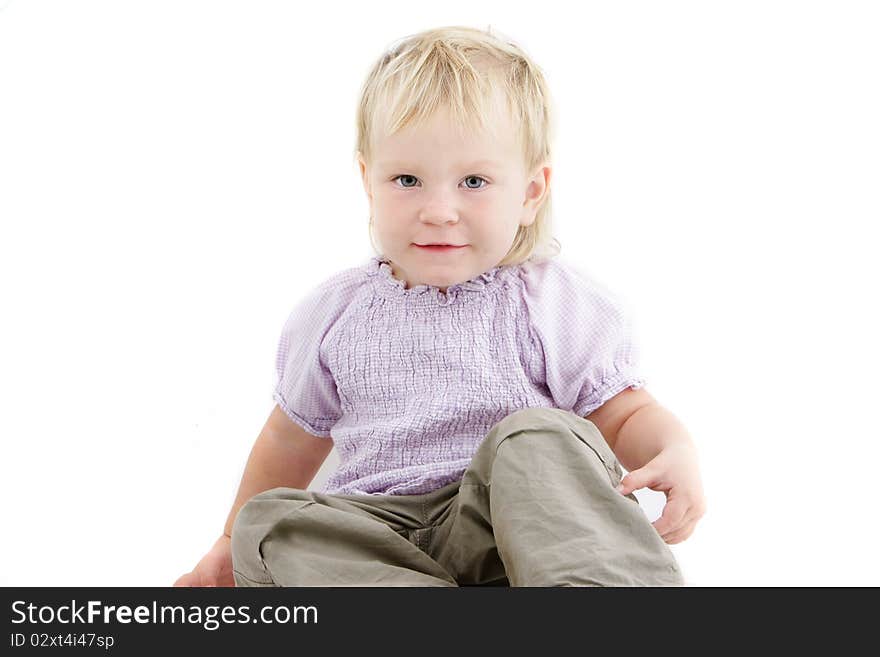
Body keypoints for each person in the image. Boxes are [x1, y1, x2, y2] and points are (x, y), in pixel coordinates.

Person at [174, 25, 706, 588]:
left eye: (473, 181)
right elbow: (288, 438)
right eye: (407, 179)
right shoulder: (334, 313)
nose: (439, 210)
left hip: (512, 531)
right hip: (376, 536)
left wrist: (673, 448)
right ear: (367, 181)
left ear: (530, 193)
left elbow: (624, 413)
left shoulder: (550, 302)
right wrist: (229, 540)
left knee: (539, 437)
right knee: (270, 522)